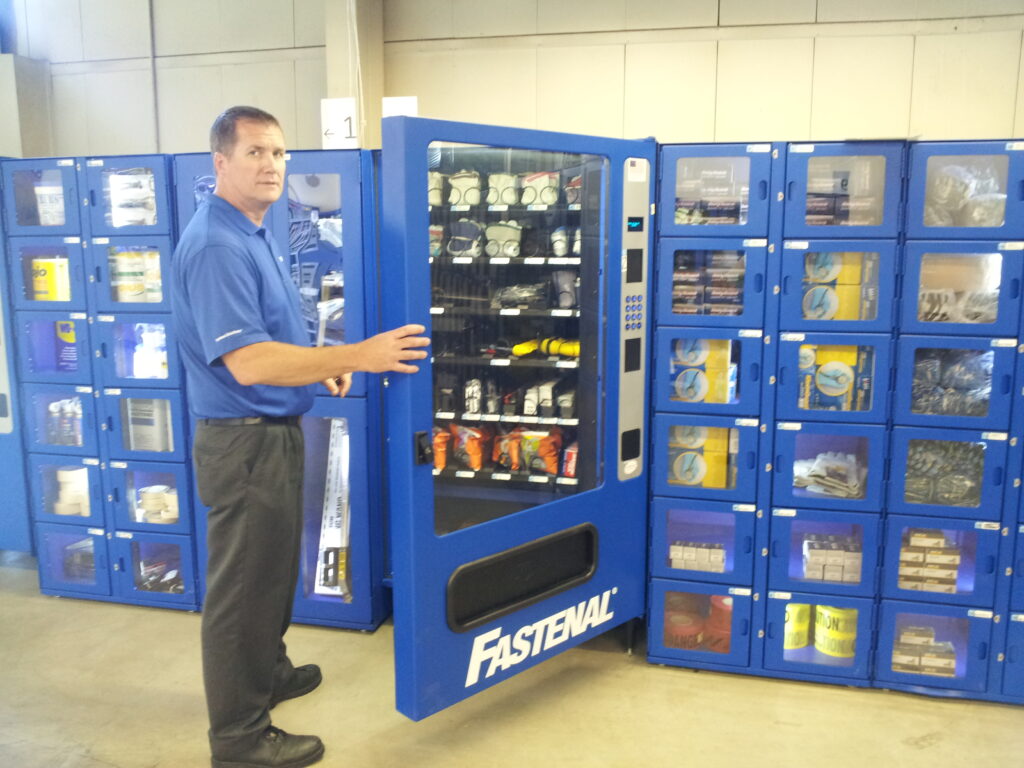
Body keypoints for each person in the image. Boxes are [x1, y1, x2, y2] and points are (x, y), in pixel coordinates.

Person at [170, 105, 429, 768]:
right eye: (255, 153)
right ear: (220, 162)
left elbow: (271, 337)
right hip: (243, 441)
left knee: (272, 573)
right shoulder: (216, 245)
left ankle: (269, 673)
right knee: (242, 589)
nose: (270, 166)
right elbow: (249, 361)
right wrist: (353, 356)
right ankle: (238, 737)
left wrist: (320, 366)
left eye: (279, 154)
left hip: (271, 429)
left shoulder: (253, 229)